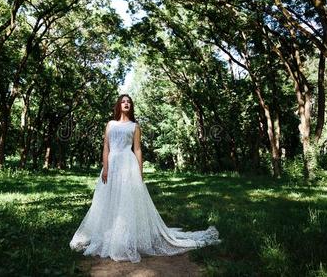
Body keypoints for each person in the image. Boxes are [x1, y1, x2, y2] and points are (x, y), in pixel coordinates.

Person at [69, 94, 220, 263]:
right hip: (112, 164)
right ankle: (108, 234)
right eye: (123, 101)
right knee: (108, 200)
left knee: (126, 200)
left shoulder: (135, 126)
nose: (126, 104)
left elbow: (138, 149)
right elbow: (106, 146)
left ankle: (125, 237)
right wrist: (105, 167)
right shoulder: (110, 124)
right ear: (118, 106)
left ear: (131, 106)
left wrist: (139, 172)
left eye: (128, 102)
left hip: (128, 163)